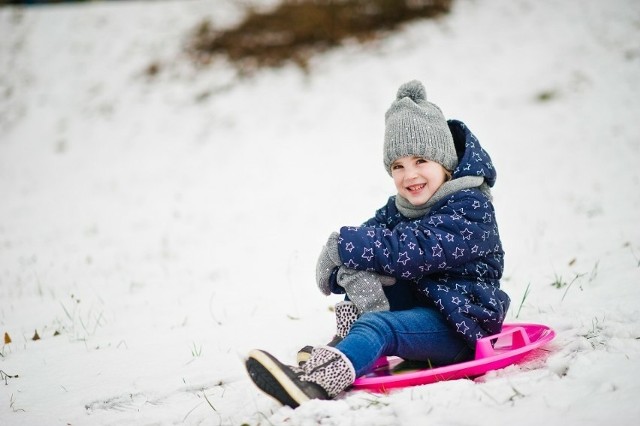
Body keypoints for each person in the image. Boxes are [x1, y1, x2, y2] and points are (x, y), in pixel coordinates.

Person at [245, 80, 510, 408]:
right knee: (363, 268)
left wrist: (343, 244)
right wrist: (339, 265)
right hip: (421, 308)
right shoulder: (400, 207)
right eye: (398, 166)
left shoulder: (470, 206)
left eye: (420, 161)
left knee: (377, 322)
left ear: (446, 163)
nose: (409, 175)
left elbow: (416, 248)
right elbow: (367, 242)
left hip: (460, 325)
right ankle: (345, 348)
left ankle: (316, 382)